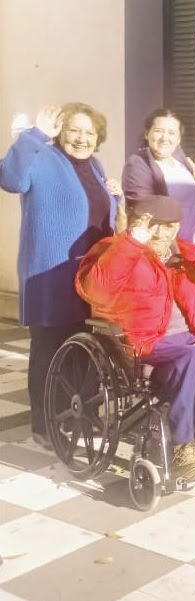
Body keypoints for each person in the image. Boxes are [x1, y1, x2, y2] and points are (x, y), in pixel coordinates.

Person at [75, 195, 195, 481]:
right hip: (142, 343)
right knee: (194, 355)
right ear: (137, 223)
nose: (160, 233)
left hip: (189, 338)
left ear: (178, 227)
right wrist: (132, 242)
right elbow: (95, 290)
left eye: (168, 226)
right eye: (153, 224)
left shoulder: (185, 254)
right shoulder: (115, 248)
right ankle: (182, 450)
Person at [0, 103, 121, 449]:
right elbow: (9, 178)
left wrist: (116, 198)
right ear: (60, 133)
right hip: (50, 277)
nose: (82, 139)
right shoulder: (41, 157)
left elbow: (101, 216)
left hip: (90, 278)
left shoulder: (96, 166)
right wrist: (34, 135)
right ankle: (45, 424)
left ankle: (81, 415)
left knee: (86, 350)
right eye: (74, 131)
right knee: (50, 348)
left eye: (89, 133)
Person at [122, 108, 195, 246]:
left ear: (178, 139)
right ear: (147, 134)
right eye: (158, 131)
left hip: (194, 240)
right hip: (165, 245)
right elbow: (143, 212)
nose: (165, 138)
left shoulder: (180, 160)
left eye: (171, 133)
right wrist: (171, 249)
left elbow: (190, 199)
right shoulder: (137, 164)